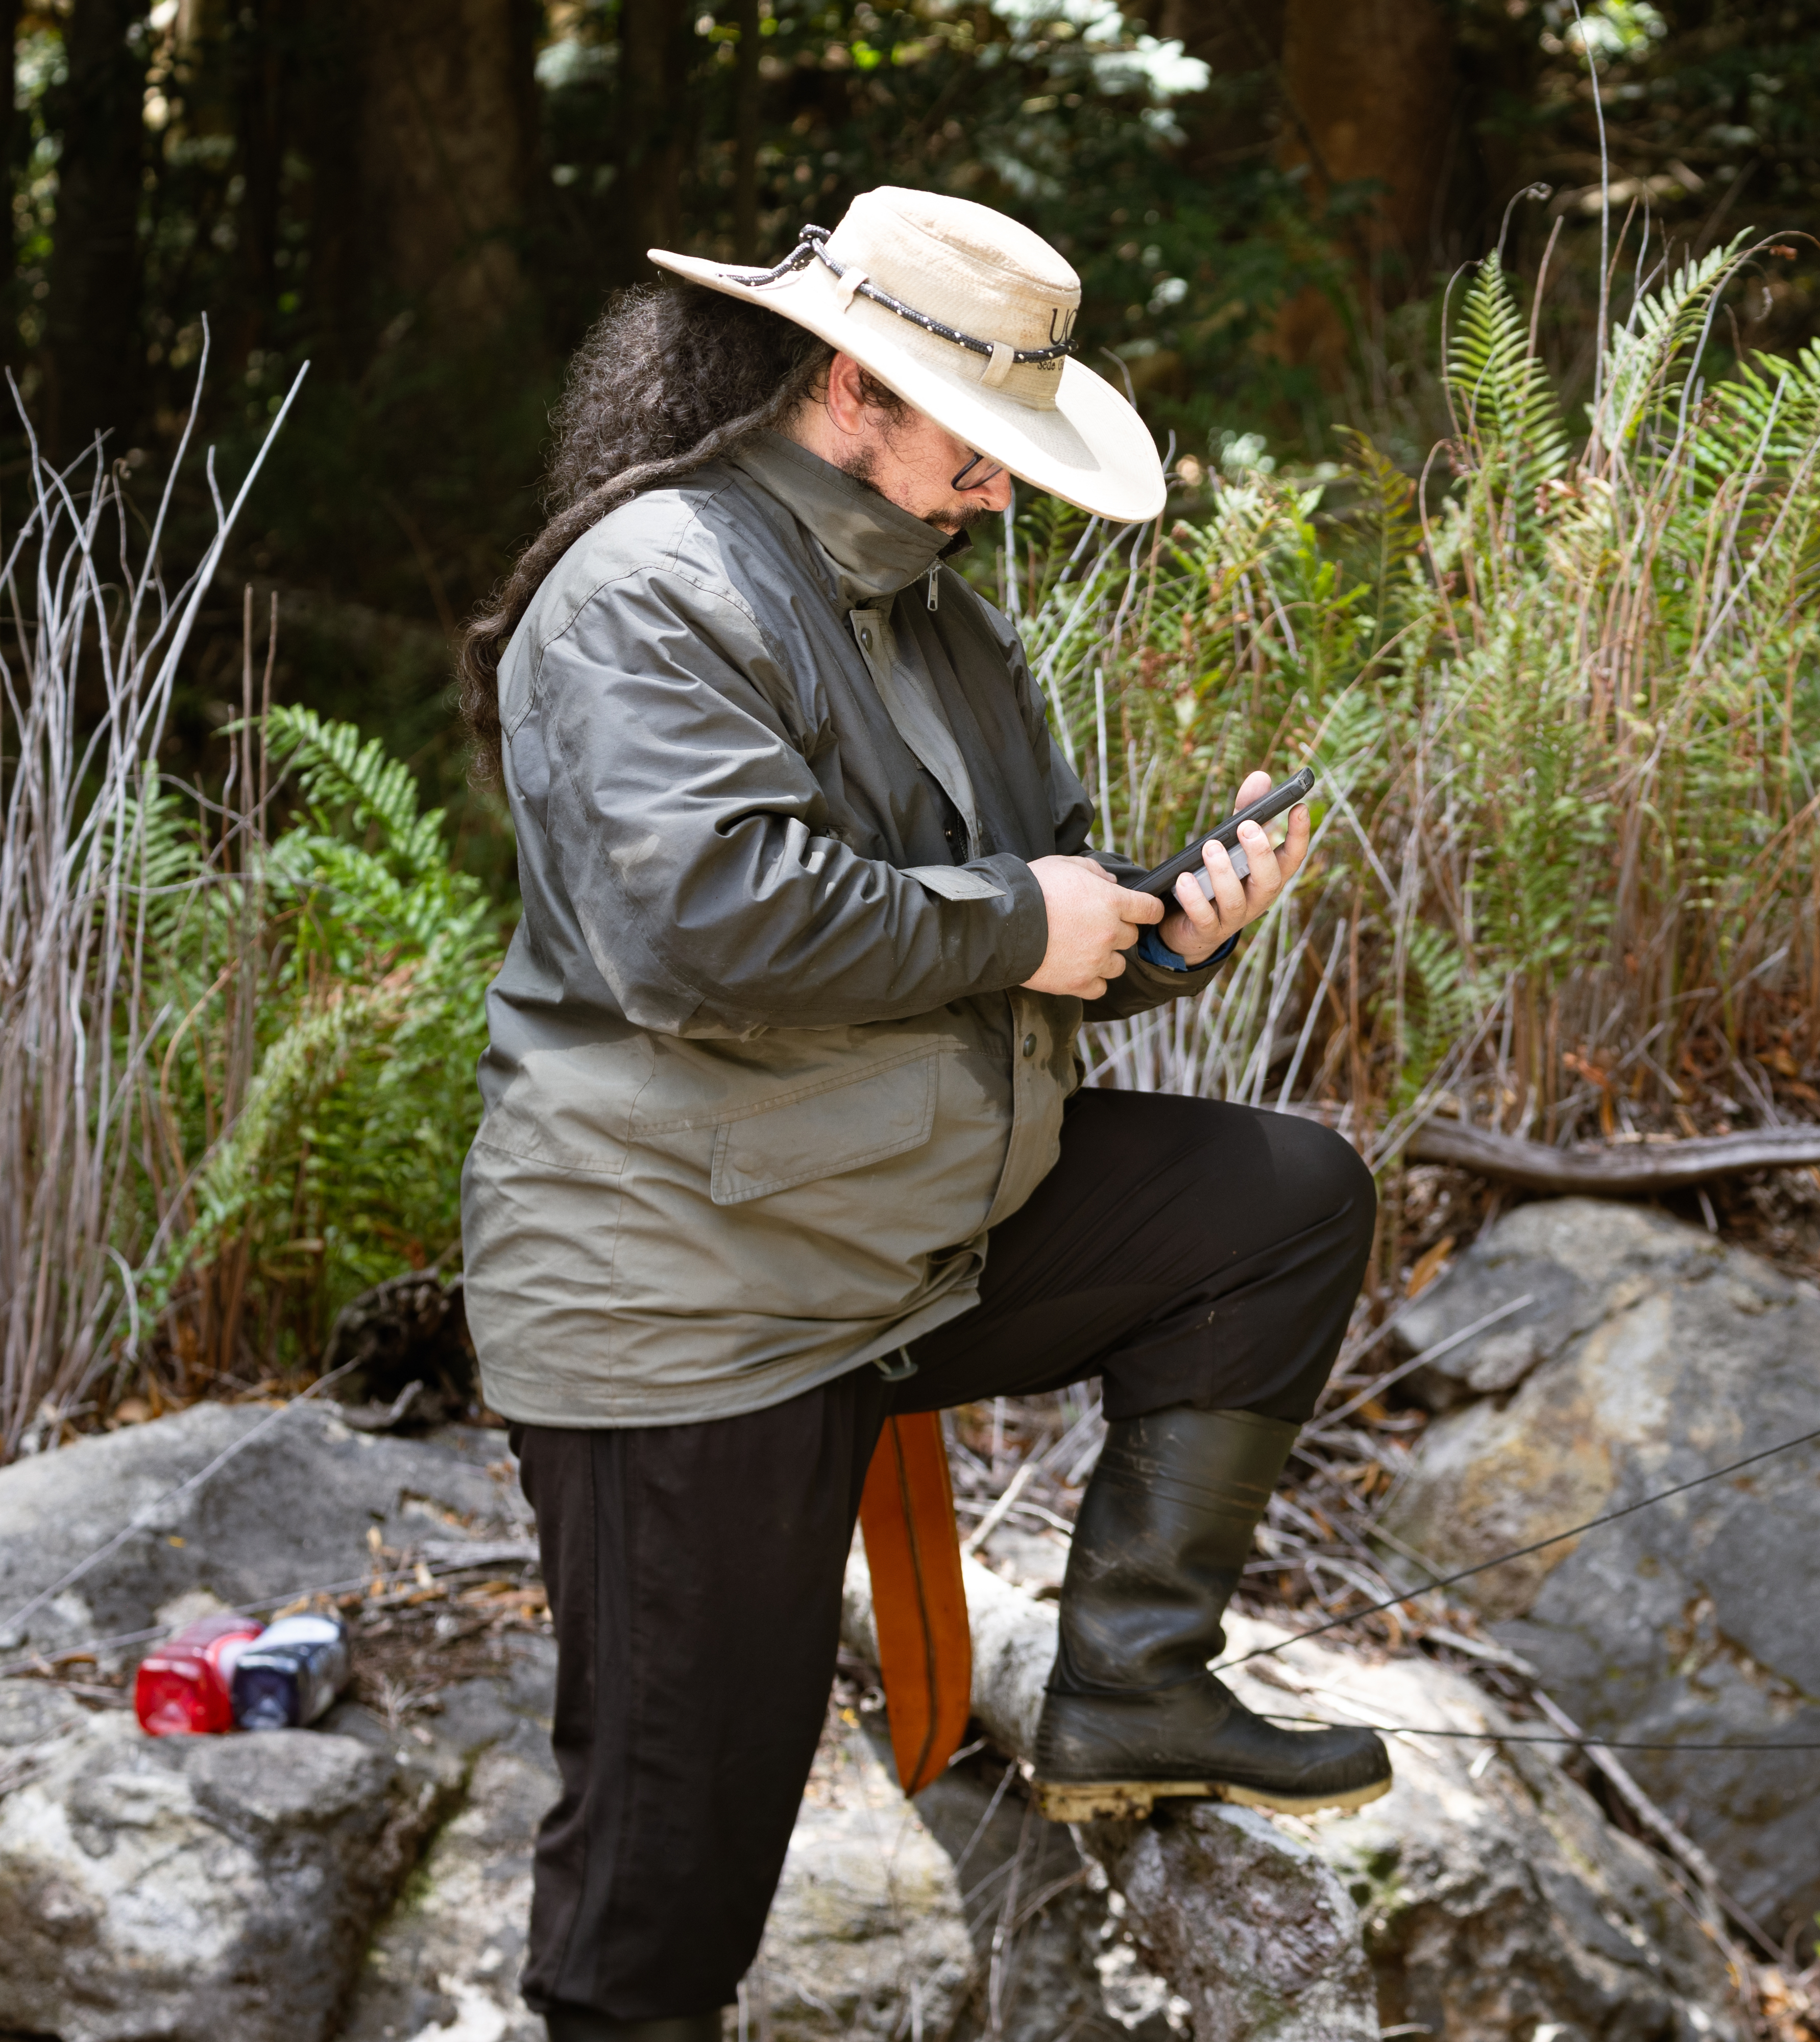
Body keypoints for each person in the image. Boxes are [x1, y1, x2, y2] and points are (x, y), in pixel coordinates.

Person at [453, 188, 1389, 2042]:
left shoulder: (940, 620)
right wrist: (1017, 920)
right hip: (689, 1299)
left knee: (1279, 1199)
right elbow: (698, 921)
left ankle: (1130, 1685)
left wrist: (1151, 932)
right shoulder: (655, 587)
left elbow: (1005, 925)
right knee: (673, 1883)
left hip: (899, 1236)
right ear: (851, 385)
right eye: (985, 443)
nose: (1004, 489)